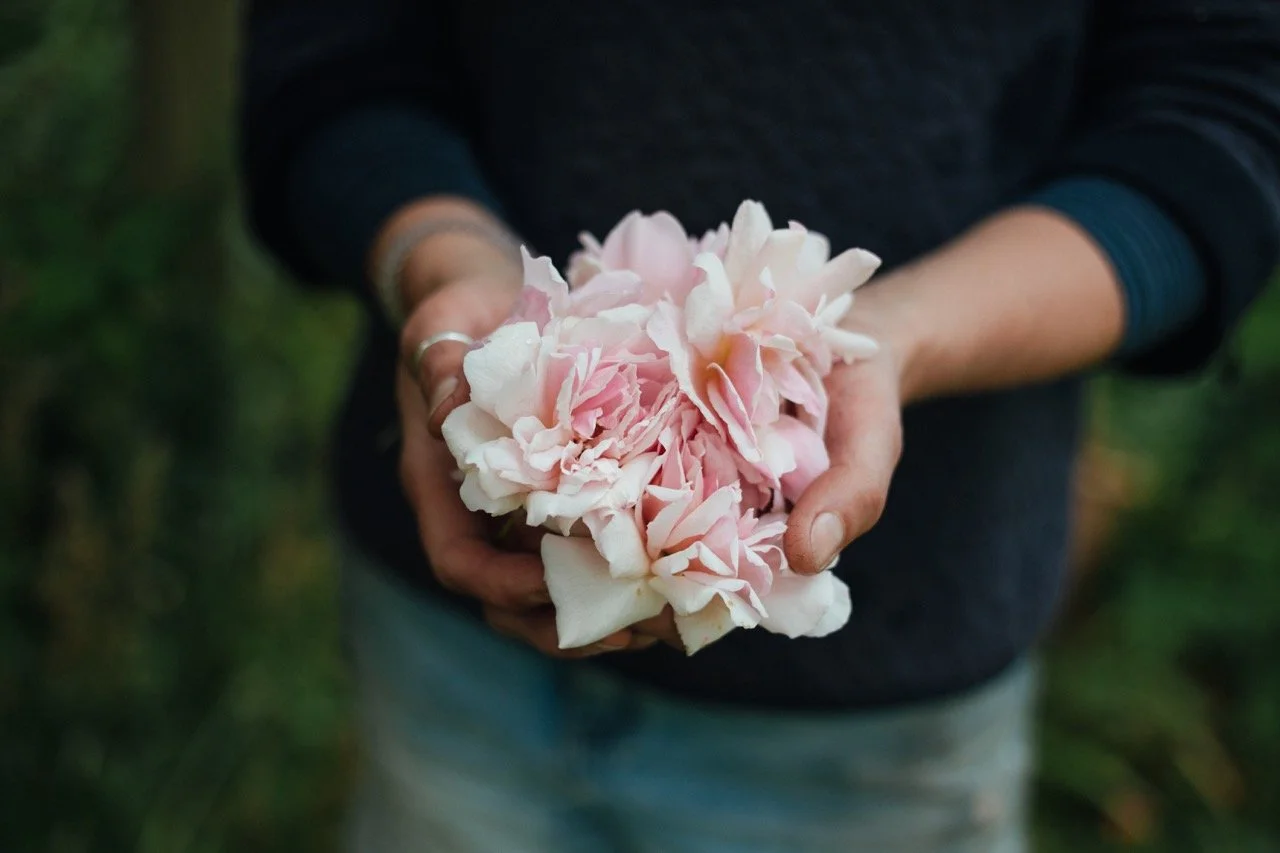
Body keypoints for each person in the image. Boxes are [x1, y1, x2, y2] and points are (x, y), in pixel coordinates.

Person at [238, 2, 1280, 850]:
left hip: (872, 733)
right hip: (443, 649)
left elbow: (1221, 121)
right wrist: (438, 256)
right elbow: (332, 48)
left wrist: (891, 339)